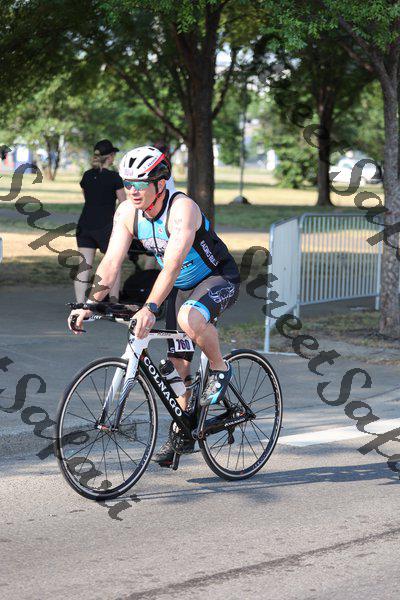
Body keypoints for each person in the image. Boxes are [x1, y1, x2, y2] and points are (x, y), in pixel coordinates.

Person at [68, 145, 241, 466]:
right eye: (127, 183)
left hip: (217, 277)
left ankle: (220, 368)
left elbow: (172, 266)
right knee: (176, 367)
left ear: (160, 184)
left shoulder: (182, 209)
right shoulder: (127, 212)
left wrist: (149, 307)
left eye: (140, 183)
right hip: (179, 286)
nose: (132, 190)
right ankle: (183, 430)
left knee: (190, 318)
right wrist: (90, 303)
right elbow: (111, 262)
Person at [75, 139, 126, 303]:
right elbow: (123, 204)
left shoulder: (87, 175)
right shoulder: (115, 178)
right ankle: (113, 302)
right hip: (106, 226)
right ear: (110, 157)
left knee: (83, 267)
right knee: (113, 264)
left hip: (85, 224)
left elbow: (88, 198)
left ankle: (80, 305)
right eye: (113, 154)